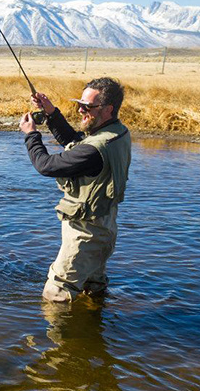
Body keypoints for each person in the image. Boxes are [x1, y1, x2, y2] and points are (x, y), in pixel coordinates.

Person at [20, 77, 132, 303]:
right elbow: (76, 142)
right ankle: (94, 329)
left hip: (85, 234)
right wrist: (51, 113)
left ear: (108, 108)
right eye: (79, 103)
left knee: (56, 295)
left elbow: (46, 165)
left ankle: (56, 338)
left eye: (87, 106)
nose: (80, 109)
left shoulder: (94, 149)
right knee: (93, 290)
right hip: (105, 227)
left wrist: (31, 135)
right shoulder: (118, 133)